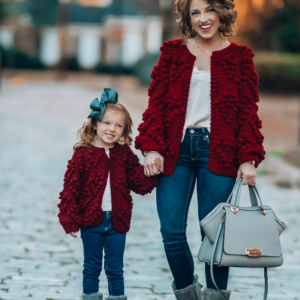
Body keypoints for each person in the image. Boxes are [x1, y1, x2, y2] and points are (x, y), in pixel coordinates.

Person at [135, 0, 265, 299]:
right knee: (171, 231)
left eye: (209, 10)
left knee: (216, 235)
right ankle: (188, 291)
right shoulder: (172, 53)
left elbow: (247, 113)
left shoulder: (240, 57)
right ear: (187, 18)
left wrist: (247, 159)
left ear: (222, 12)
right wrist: (152, 149)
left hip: (218, 151)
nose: (203, 19)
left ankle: (216, 295)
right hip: (175, 150)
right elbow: (157, 104)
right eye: (195, 12)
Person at [57, 88, 157, 300]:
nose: (112, 129)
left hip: (117, 222)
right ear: (95, 124)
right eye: (107, 123)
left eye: (118, 125)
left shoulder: (125, 155)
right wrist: (70, 218)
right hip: (90, 221)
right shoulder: (82, 154)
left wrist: (153, 171)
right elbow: (70, 188)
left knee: (115, 269)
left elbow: (139, 183)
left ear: (124, 130)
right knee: (91, 267)